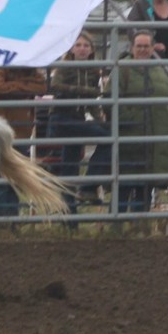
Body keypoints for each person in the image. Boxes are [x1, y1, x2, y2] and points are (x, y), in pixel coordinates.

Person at [102, 30, 168, 218]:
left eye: (146, 46)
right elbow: (108, 101)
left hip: (154, 141)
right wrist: (131, 119)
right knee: (122, 188)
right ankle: (116, 228)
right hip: (128, 140)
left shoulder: (159, 71)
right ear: (132, 48)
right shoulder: (122, 70)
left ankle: (140, 229)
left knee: (145, 188)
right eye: (139, 46)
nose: (143, 50)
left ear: (153, 48)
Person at [47, 31, 111, 222]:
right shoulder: (65, 66)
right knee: (107, 140)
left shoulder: (93, 71)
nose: (82, 49)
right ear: (72, 49)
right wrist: (83, 91)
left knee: (70, 168)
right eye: (78, 45)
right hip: (62, 118)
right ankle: (89, 186)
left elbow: (91, 101)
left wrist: (101, 120)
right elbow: (55, 86)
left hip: (77, 118)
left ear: (91, 50)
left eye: (86, 46)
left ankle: (69, 216)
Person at [0, 66, 48, 227]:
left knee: (13, 180)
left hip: (20, 132)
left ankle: (9, 221)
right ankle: (0, 224)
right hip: (3, 131)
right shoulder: (2, 67)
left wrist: (13, 85)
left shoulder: (32, 70)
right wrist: (24, 85)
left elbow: (41, 87)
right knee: (2, 179)